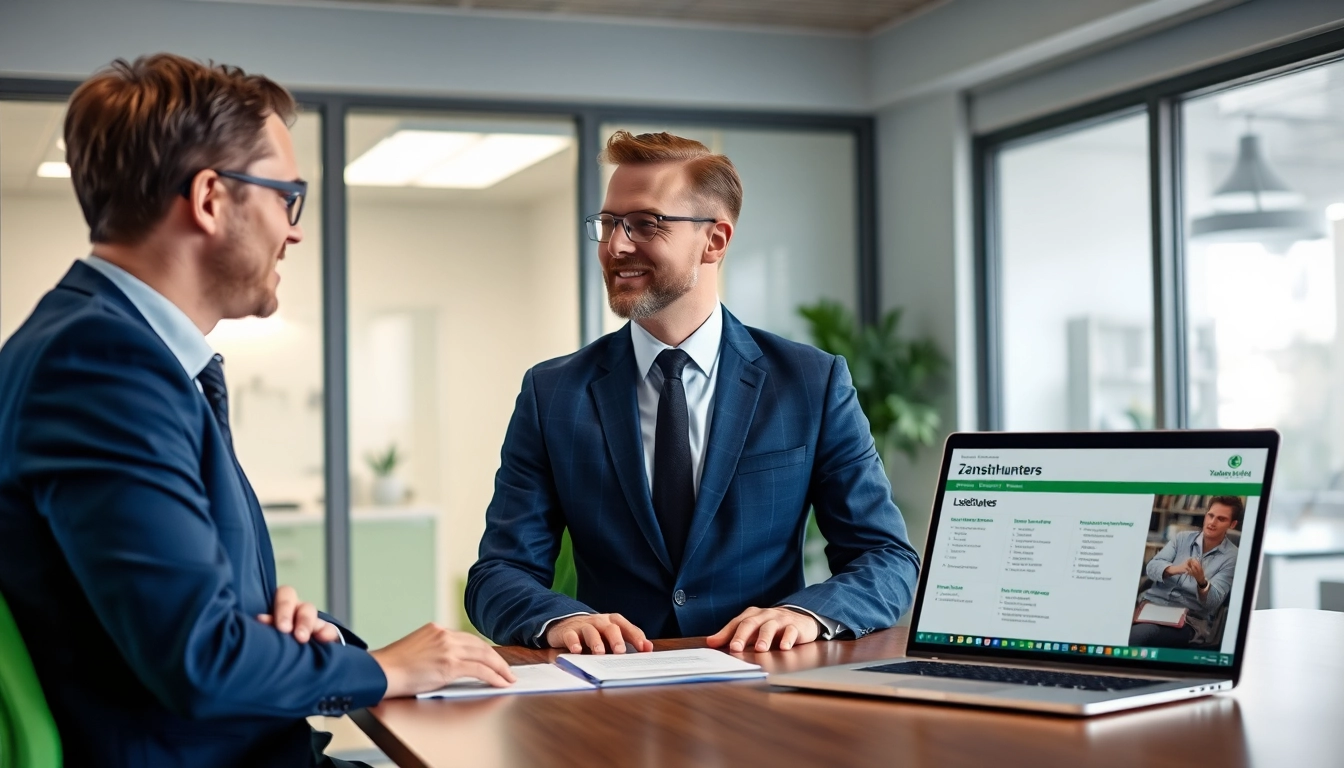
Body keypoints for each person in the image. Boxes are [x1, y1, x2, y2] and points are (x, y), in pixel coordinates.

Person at [0, 54, 513, 768]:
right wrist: (387, 670)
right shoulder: (102, 364)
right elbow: (199, 659)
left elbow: (183, 615)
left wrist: (289, 631)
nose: (294, 231)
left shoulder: (117, 350)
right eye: (285, 196)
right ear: (211, 198)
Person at [466, 131, 920, 655]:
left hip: (763, 690)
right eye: (609, 223)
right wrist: (557, 618)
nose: (615, 245)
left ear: (715, 240)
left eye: (644, 224)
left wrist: (807, 614)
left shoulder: (811, 382)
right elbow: (498, 573)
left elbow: (885, 557)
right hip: (610, 696)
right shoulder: (553, 393)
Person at [1130, 496, 1243, 648]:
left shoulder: (1232, 556)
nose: (1212, 522)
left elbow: (1213, 603)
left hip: (1189, 620)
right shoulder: (1182, 538)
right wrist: (1176, 569)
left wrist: (1201, 581)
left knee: (1137, 636)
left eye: (1221, 519)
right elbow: (1151, 568)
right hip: (1150, 606)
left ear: (1232, 524)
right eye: (1210, 515)